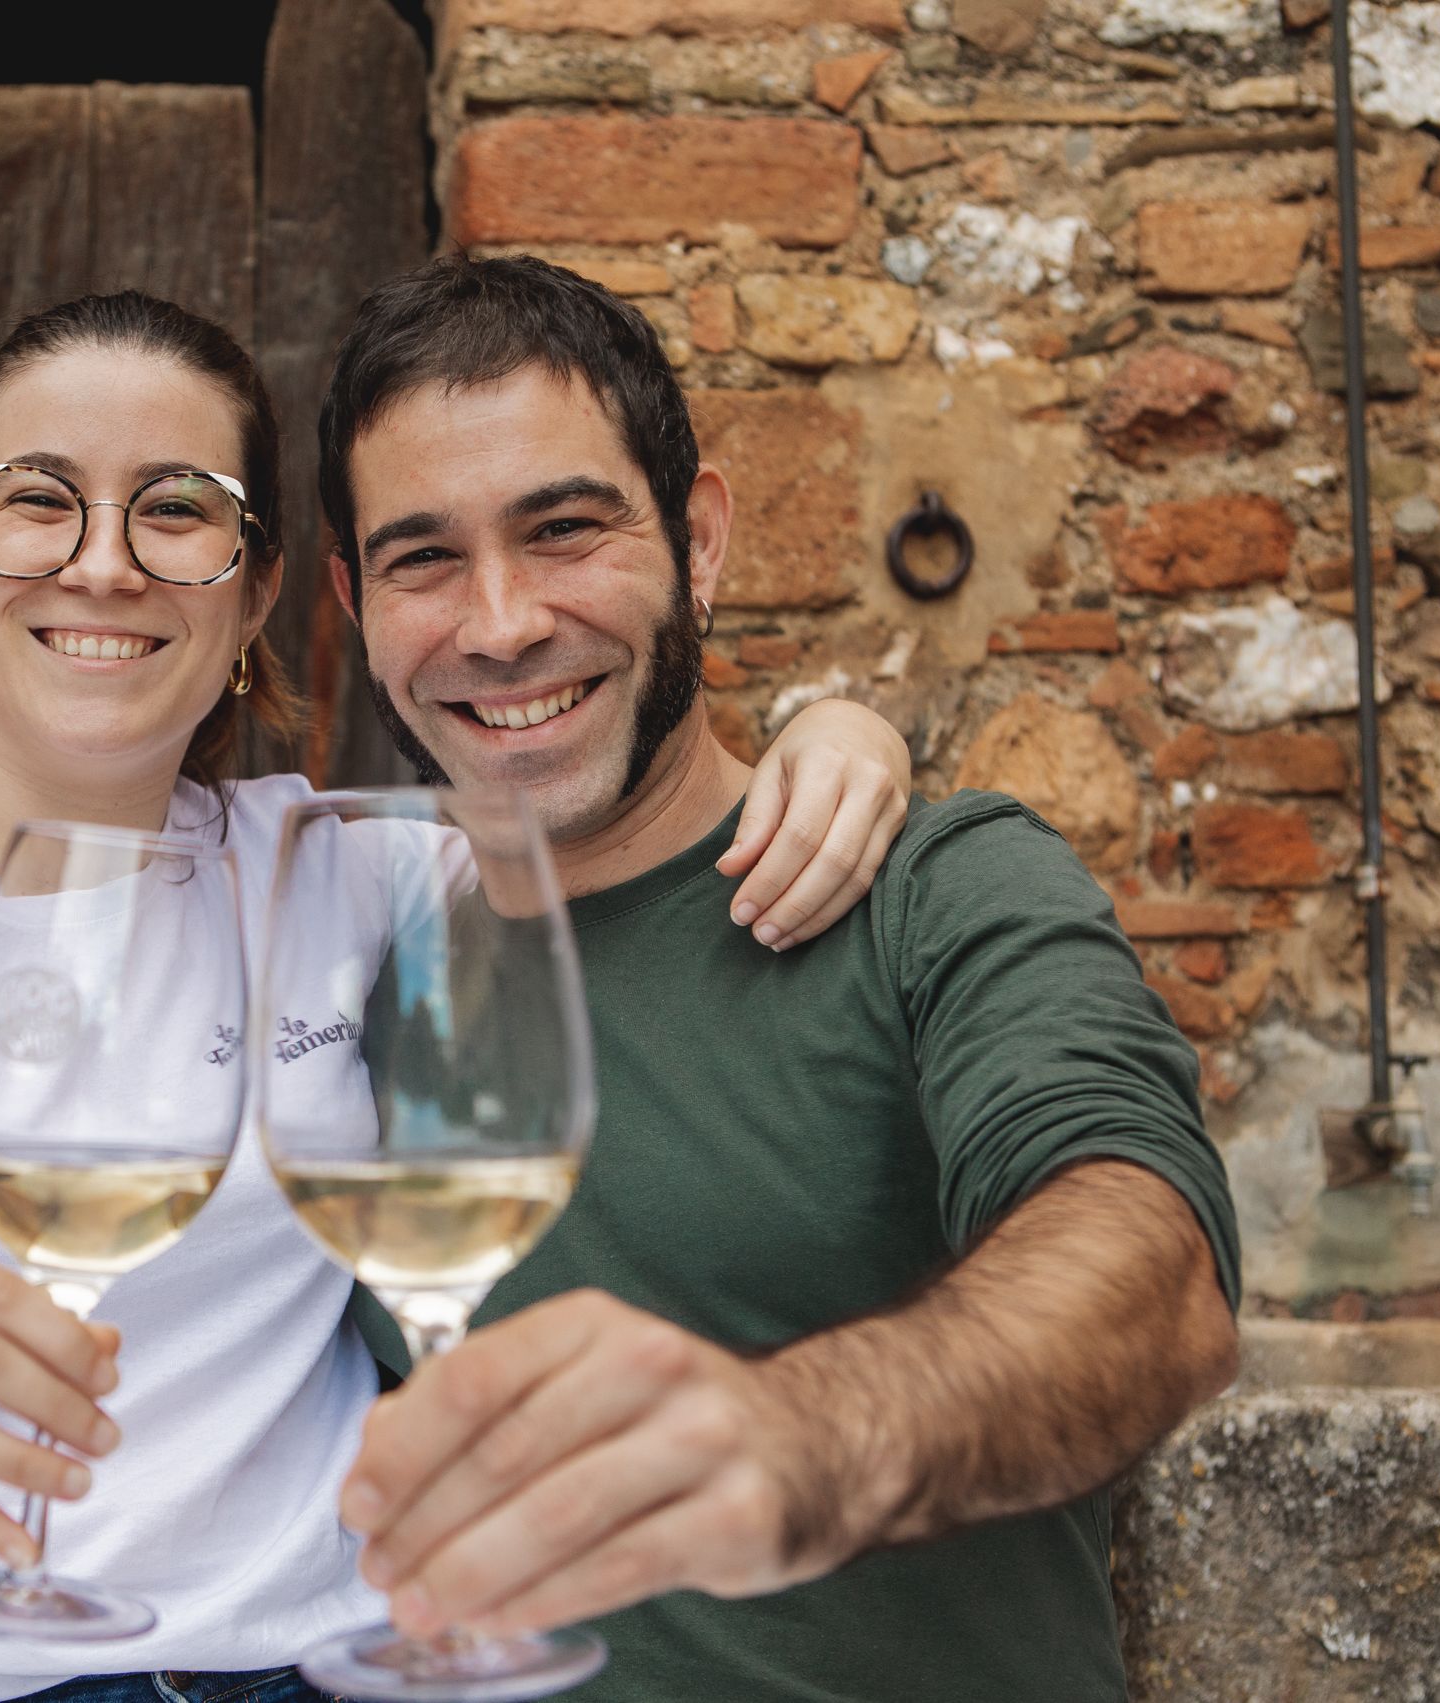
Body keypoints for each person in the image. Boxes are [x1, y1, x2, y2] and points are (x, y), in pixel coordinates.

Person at [0, 289, 919, 1703]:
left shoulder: (341, 877)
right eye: (39, 499)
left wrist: (839, 732)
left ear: (258, 591)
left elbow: (622, 833)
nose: (104, 563)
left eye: (177, 508)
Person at [308, 254, 1243, 1701]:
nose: (497, 625)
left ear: (703, 539)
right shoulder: (347, 942)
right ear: (354, 600)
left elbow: (1151, 1279)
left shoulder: (936, 889)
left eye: (564, 530)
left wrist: (791, 1437)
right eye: (423, 558)